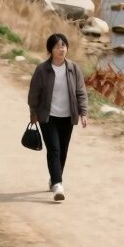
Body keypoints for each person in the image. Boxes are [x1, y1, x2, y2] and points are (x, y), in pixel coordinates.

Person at [27, 34, 88, 202]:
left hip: (68, 116)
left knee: (62, 151)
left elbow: (81, 92)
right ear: (50, 50)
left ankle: (54, 177)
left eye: (64, 46)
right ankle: (58, 185)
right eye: (57, 46)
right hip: (48, 116)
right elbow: (34, 93)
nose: (61, 49)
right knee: (54, 149)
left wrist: (83, 113)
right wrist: (33, 112)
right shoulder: (42, 70)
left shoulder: (73, 69)